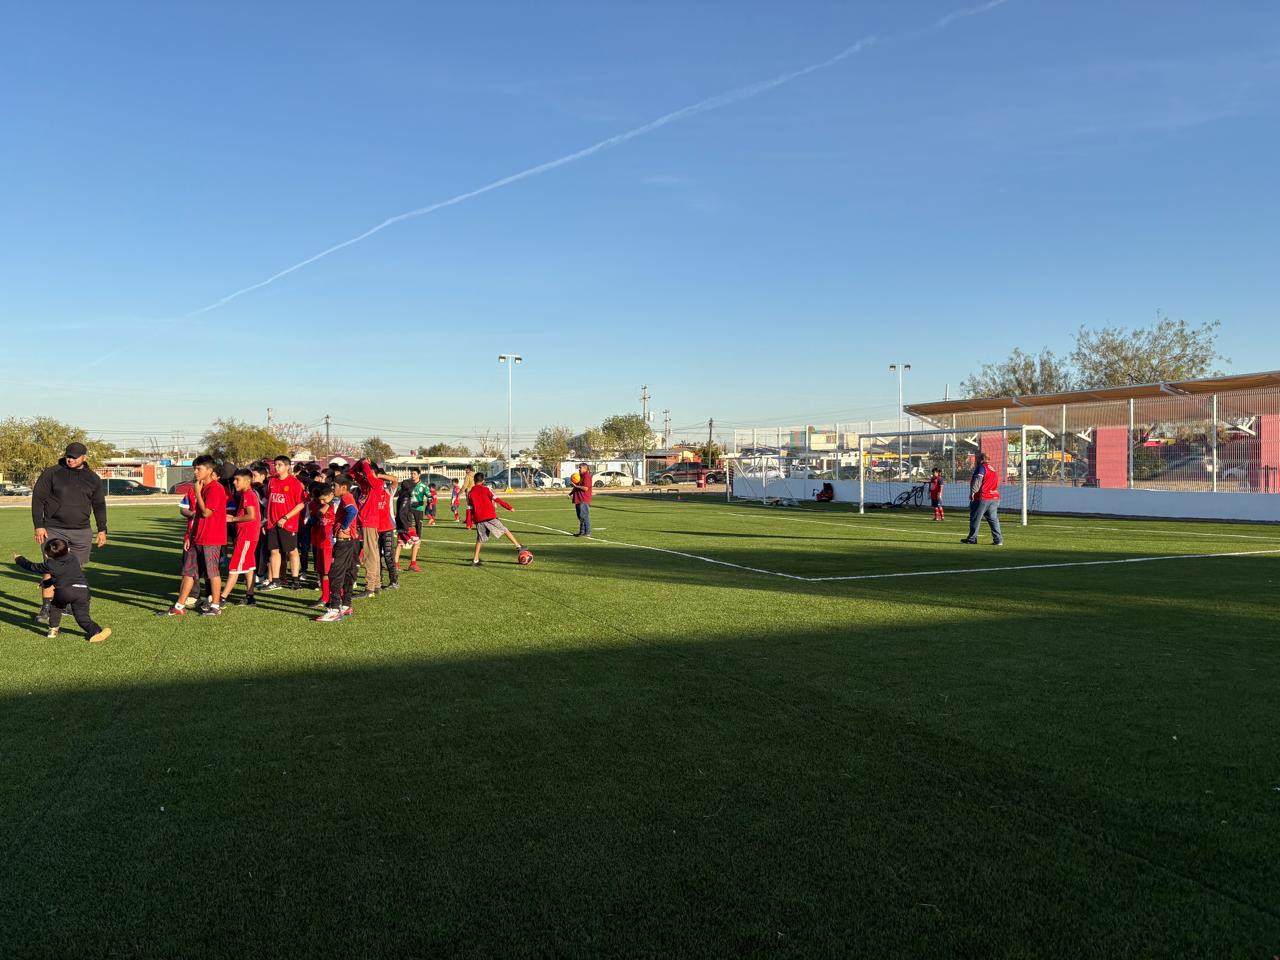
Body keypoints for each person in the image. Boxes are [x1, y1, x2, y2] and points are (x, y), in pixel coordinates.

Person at [30, 441, 108, 624]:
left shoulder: (92, 478)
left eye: (74, 457)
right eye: (68, 456)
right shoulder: (52, 473)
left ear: (84, 457)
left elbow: (99, 505)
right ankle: (47, 606)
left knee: (74, 569)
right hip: (54, 528)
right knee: (51, 567)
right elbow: (38, 499)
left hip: (81, 531)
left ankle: (65, 604)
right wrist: (38, 525)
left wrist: (102, 529)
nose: (70, 459)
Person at [158, 454, 228, 616]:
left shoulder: (216, 489)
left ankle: (215, 606)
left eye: (199, 469)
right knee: (188, 572)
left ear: (210, 471)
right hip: (197, 537)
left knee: (212, 572)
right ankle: (179, 606)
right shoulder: (200, 487)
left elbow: (206, 513)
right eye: (194, 468)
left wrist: (197, 493)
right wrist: (190, 536)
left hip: (211, 538)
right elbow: (195, 516)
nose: (195, 472)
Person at [13, 538, 111, 642]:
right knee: (82, 617)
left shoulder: (50, 564)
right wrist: (48, 583)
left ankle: (53, 630)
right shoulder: (73, 558)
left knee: (55, 606)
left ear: (48, 554)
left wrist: (19, 559)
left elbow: (32, 567)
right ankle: (96, 631)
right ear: (67, 550)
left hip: (64, 592)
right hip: (82, 591)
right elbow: (63, 575)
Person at [316, 475, 360, 622]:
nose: (333, 488)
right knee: (348, 572)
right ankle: (346, 604)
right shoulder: (346, 497)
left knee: (335, 574)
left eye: (335, 486)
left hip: (344, 541)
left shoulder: (346, 498)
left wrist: (344, 526)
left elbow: (353, 512)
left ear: (343, 487)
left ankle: (334, 608)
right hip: (351, 542)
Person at [467, 472, 529, 566]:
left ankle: (475, 560)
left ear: (474, 481)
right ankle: (518, 547)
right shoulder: (486, 489)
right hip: (489, 516)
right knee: (505, 529)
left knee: (480, 539)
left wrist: (469, 523)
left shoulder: (470, 493)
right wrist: (509, 507)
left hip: (479, 519)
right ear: (483, 481)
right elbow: (497, 499)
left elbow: (469, 509)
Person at [353, 459, 393, 598]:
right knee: (374, 555)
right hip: (365, 523)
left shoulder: (377, 483)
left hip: (369, 523)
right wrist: (360, 462)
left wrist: (366, 465)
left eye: (367, 473)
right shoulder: (365, 485)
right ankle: (376, 585)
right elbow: (352, 473)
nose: (364, 475)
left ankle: (369, 587)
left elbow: (370, 476)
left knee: (370, 555)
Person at [264, 455, 305, 590]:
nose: (276, 467)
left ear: (288, 467)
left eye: (280, 465)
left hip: (288, 524)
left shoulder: (294, 483)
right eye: (275, 464)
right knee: (274, 551)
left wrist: (286, 517)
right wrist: (266, 520)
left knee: (292, 551)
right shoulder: (272, 482)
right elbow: (268, 501)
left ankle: (295, 580)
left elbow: (301, 504)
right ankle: (275, 580)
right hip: (272, 523)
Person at [223, 469, 261, 606]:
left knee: (235, 566)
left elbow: (251, 516)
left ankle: (221, 598)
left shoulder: (248, 495)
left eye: (237, 479)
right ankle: (250, 596)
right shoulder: (245, 494)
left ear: (247, 481)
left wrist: (233, 519)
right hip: (247, 535)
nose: (234, 482)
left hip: (247, 536)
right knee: (248, 566)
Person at [961, 452, 1002, 546]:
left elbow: (978, 480)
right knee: (993, 519)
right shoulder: (993, 469)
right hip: (994, 497)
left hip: (983, 497)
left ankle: (972, 539)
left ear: (981, 459)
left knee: (975, 518)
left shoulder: (981, 468)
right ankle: (998, 540)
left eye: (978, 459)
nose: (976, 461)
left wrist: (973, 492)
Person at [307, 482, 336, 610]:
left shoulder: (336, 504)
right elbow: (312, 519)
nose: (321, 501)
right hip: (318, 541)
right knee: (321, 571)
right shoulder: (313, 504)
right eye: (319, 499)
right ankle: (326, 596)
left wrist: (328, 505)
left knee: (328, 572)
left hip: (329, 543)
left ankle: (329, 597)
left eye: (324, 499)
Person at [569, 461, 593, 537]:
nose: (579, 469)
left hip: (584, 499)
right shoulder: (580, 476)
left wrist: (575, 486)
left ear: (585, 468)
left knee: (584, 516)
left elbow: (585, 488)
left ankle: (588, 532)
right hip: (578, 499)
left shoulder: (587, 476)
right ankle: (582, 532)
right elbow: (577, 486)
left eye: (580, 468)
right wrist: (571, 493)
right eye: (579, 467)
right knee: (580, 516)